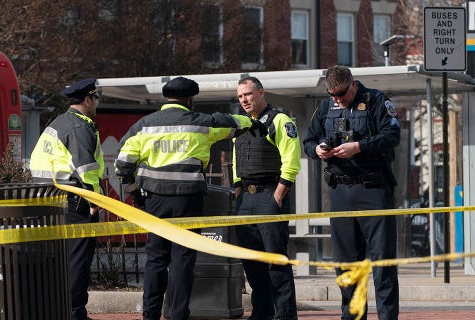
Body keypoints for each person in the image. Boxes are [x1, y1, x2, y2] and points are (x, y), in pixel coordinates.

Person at [114, 76, 257, 320]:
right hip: (188, 201)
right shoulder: (202, 123)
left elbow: (122, 163)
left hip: (155, 200)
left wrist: (133, 192)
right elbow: (235, 123)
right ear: (190, 99)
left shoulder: (144, 125)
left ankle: (150, 314)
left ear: (167, 98)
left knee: (156, 258)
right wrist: (252, 121)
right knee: (182, 259)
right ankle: (178, 314)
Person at [302, 65, 401, 320]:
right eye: (332, 94)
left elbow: (392, 135)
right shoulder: (326, 107)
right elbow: (308, 141)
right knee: (346, 264)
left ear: (353, 84)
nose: (337, 99)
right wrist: (318, 150)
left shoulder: (377, 100)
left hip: (374, 189)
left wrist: (359, 147)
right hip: (341, 190)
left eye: (342, 94)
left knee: (382, 263)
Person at [29, 78, 104, 320]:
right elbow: (87, 170)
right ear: (87, 99)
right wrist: (95, 201)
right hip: (73, 199)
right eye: (96, 99)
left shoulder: (59, 122)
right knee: (77, 260)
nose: (97, 104)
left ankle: (55, 309)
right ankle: (74, 313)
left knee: (56, 260)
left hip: (48, 199)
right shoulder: (80, 127)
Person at [232, 76, 301, 320]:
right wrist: (238, 188)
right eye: (240, 97)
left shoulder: (279, 120)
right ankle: (261, 313)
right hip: (245, 201)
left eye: (248, 94)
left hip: (269, 195)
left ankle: (284, 315)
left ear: (261, 93)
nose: (244, 100)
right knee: (251, 262)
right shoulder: (241, 124)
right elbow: (236, 158)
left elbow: (291, 159)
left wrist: (279, 194)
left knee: (275, 262)